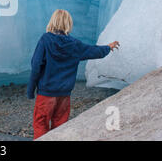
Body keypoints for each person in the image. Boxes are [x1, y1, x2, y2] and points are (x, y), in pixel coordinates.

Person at [27, 9, 119, 139]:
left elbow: (36, 65)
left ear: (52, 21)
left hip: (46, 93)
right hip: (64, 94)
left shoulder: (45, 40)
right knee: (60, 126)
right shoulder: (75, 44)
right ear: (68, 24)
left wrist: (31, 90)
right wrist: (108, 47)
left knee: (41, 124)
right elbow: (93, 51)